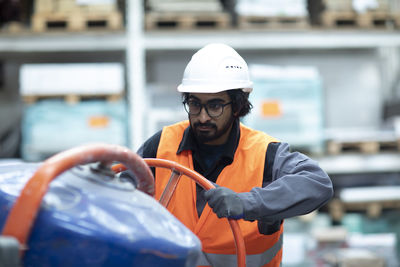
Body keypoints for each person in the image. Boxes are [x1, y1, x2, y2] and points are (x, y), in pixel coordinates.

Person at [124, 43, 333, 267]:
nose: (202, 117)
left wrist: (247, 203)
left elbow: (317, 183)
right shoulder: (160, 146)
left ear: (237, 106)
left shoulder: (265, 154)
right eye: (195, 104)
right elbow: (121, 192)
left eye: (214, 106)